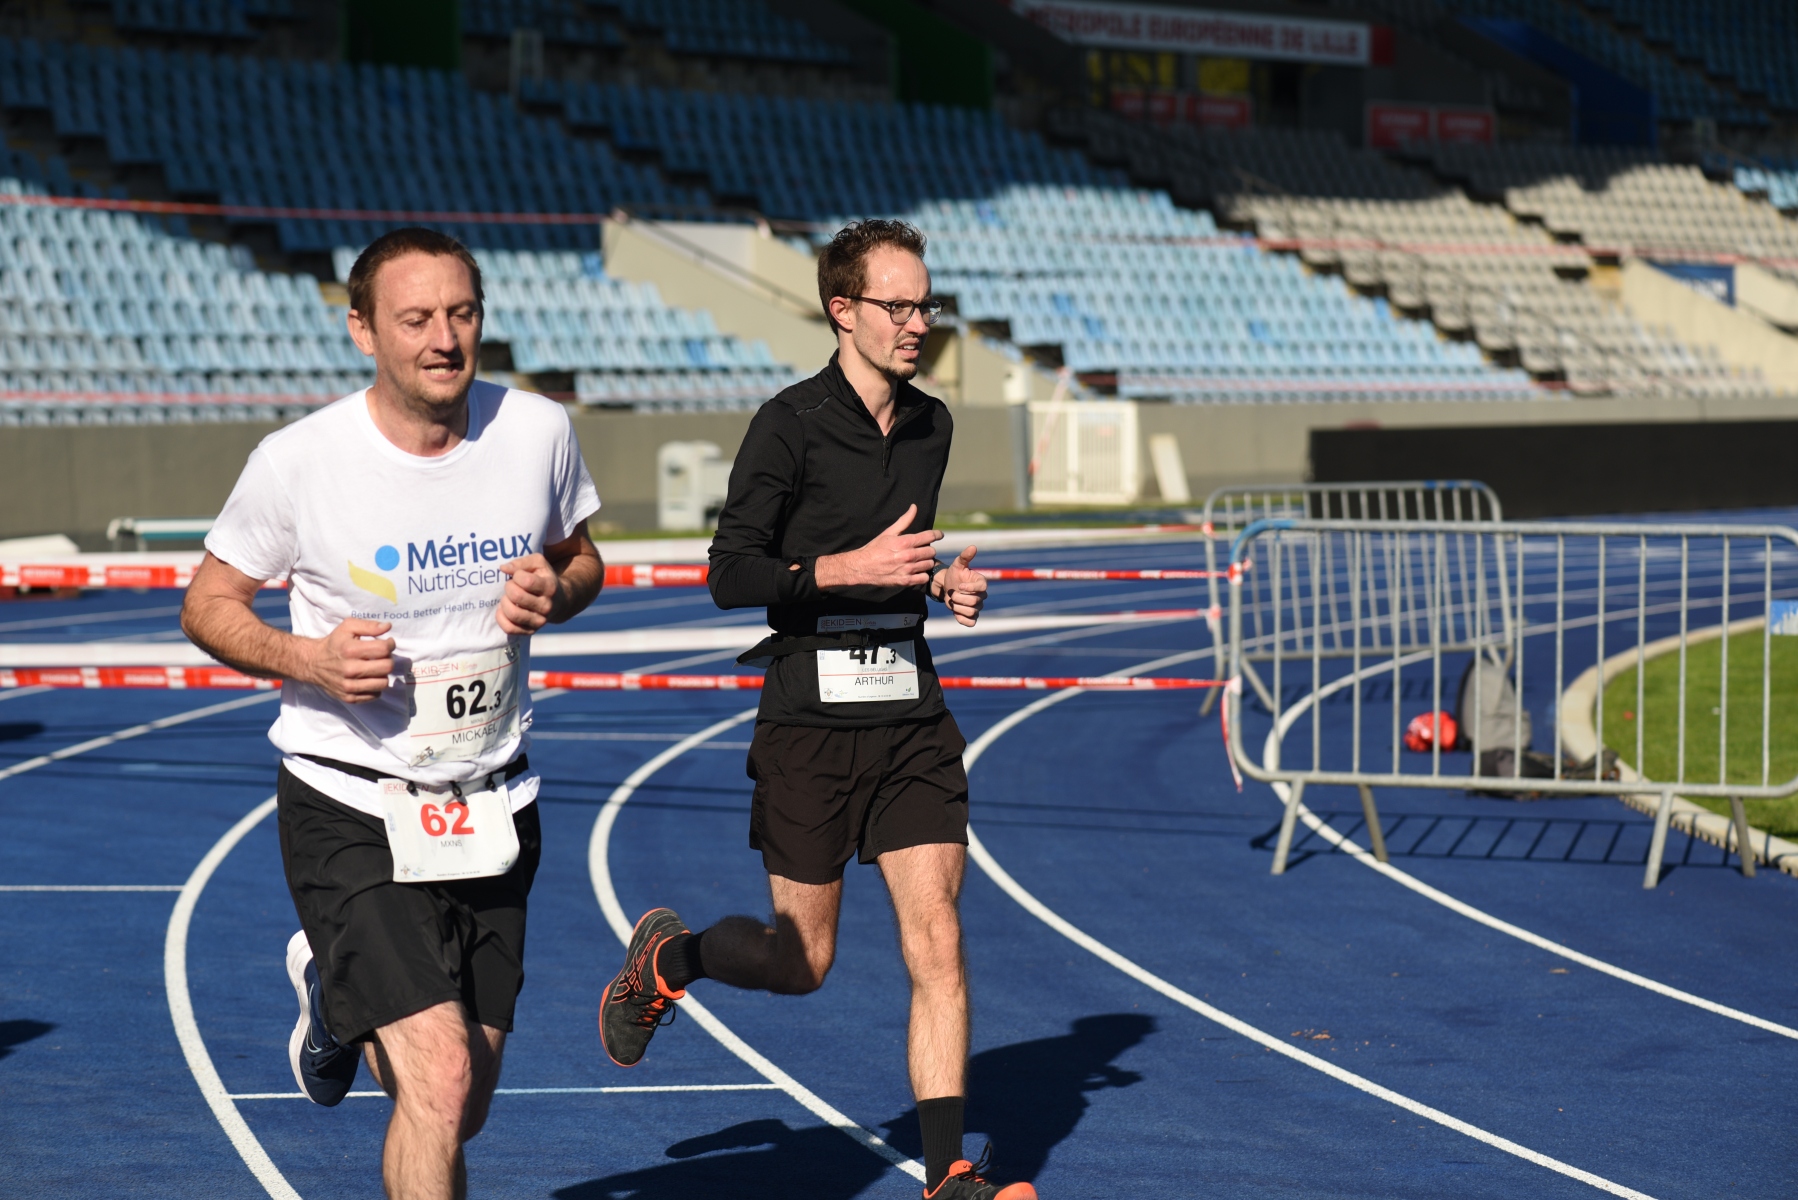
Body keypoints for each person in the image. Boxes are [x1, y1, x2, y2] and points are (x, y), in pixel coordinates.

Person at [597, 219, 1034, 1200]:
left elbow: (899, 558)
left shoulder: (932, 425)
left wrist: (941, 583)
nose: (918, 323)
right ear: (843, 310)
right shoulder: (787, 425)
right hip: (810, 717)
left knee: (938, 939)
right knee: (803, 963)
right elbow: (730, 573)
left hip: (910, 713)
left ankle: (945, 1175)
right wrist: (845, 569)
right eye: (898, 306)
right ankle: (670, 958)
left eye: (926, 305)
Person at [181, 227, 603, 1200]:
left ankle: (335, 997)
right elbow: (207, 604)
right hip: (352, 799)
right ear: (363, 330)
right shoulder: (299, 461)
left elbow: (581, 560)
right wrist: (308, 659)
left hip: (492, 799)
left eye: (461, 314)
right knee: (440, 1073)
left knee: (463, 1099)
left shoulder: (537, 431)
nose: (443, 340)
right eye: (415, 319)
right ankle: (348, 983)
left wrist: (558, 591)